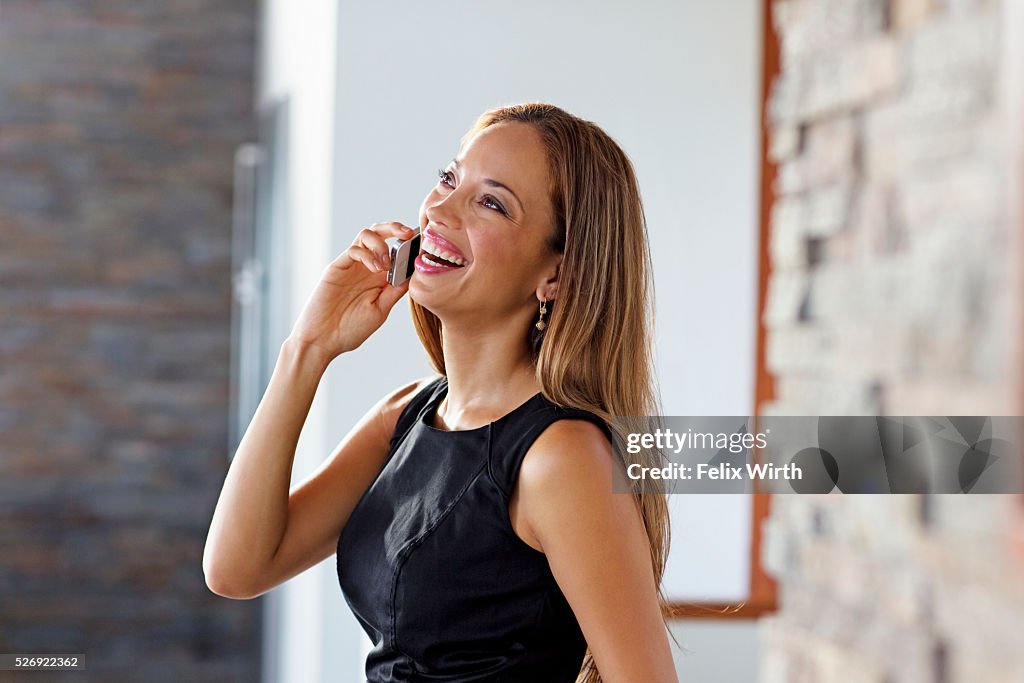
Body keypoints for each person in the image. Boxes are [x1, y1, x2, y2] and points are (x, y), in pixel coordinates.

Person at [203, 102, 677, 682]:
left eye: (491, 203)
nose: (440, 210)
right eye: (450, 179)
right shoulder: (407, 416)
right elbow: (237, 568)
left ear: (557, 275)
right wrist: (307, 350)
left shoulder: (560, 457)